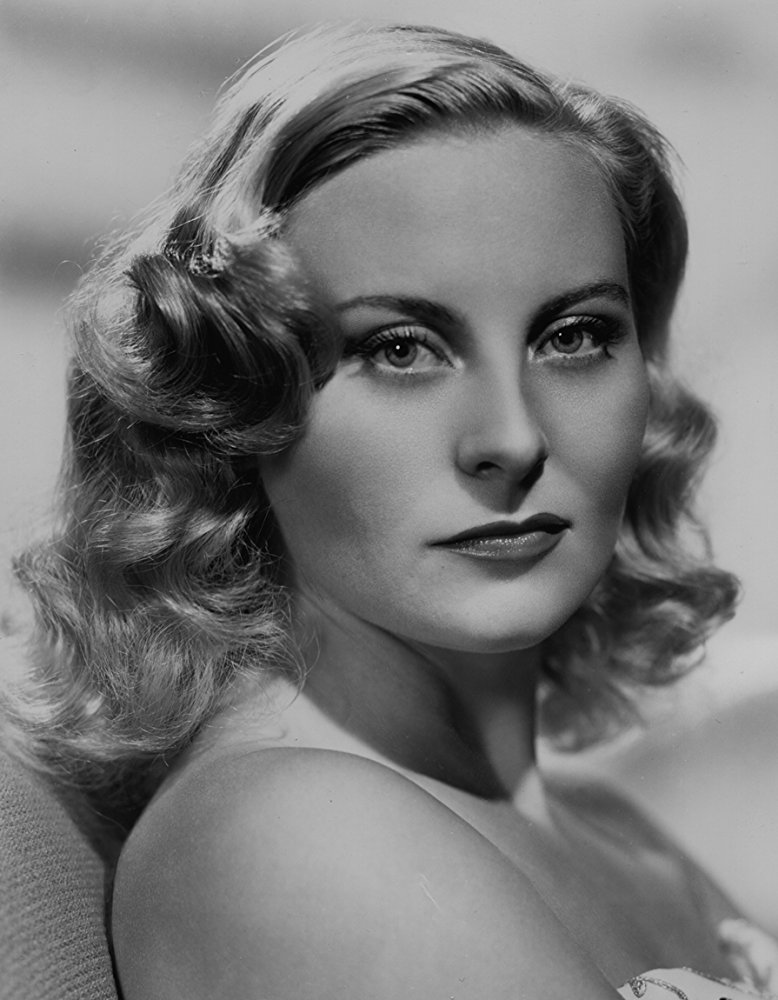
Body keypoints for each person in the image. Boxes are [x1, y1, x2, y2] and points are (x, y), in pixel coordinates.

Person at [3, 21, 773, 1000]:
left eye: (573, 336)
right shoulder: (292, 836)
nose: (512, 438)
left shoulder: (614, 832)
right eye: (401, 349)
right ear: (235, 404)